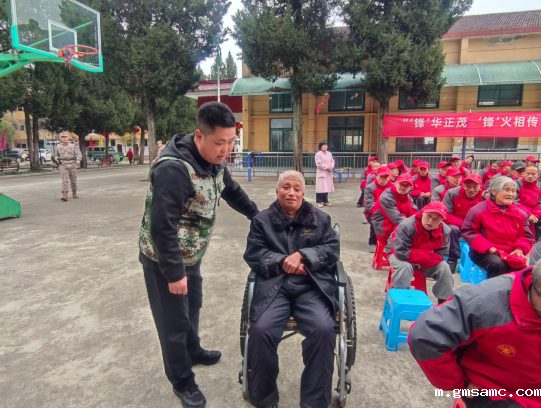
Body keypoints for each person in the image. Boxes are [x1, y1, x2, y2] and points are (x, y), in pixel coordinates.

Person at [138, 102, 259, 408]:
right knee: (173, 324)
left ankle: (193, 350)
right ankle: (182, 381)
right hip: (164, 261)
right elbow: (162, 226)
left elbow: (230, 190)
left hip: (191, 254)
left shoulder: (215, 161)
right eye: (220, 143)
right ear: (199, 136)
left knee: (193, 306)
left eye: (231, 142)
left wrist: (257, 216)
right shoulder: (174, 170)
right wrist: (173, 273)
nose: (226, 150)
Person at [243, 170, 340, 408]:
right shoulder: (261, 221)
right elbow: (254, 254)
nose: (291, 193)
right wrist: (282, 261)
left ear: (303, 193)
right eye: (286, 187)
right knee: (261, 330)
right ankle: (264, 396)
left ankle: (314, 401)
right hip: (274, 286)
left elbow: (331, 250)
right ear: (277, 191)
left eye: (297, 189)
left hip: (311, 286)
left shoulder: (320, 219)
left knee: (323, 328)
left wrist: (303, 256)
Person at [409, 261, 541, 408]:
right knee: (496, 264)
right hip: (494, 386)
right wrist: (459, 384)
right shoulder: (485, 303)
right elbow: (425, 335)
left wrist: (517, 251)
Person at [461, 176, 534, 278]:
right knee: (498, 265)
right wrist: (489, 248)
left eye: (513, 191)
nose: (510, 194)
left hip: (510, 252)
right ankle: (494, 288)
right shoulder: (477, 211)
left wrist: (519, 249)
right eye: (506, 190)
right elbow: (469, 232)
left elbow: (526, 236)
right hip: (485, 251)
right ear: (494, 192)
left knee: (522, 271)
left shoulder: (520, 214)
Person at [386, 201, 453, 304]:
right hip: (396, 253)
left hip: (422, 259)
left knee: (444, 267)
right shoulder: (407, 226)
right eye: (429, 215)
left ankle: (444, 302)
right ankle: (400, 299)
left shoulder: (445, 231)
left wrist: (420, 259)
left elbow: (442, 254)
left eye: (436, 218)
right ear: (422, 213)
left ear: (442, 221)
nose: (431, 221)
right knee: (405, 267)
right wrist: (428, 253)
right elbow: (401, 252)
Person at [442, 174, 485, 273]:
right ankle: (453, 259)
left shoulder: (485, 197)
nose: (471, 190)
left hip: (476, 224)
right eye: (468, 186)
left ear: (480, 187)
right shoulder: (452, 193)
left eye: (475, 187)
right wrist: (463, 224)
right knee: (451, 230)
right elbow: (445, 213)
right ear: (463, 185)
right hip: (457, 222)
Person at [371, 173, 417, 244]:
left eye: (406, 185)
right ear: (395, 184)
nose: (403, 187)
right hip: (385, 227)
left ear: (410, 188)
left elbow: (414, 211)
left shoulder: (407, 196)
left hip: (399, 223)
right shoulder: (386, 197)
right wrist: (414, 226)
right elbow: (396, 218)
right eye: (401, 184)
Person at [364, 166, 392, 253]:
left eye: (385, 177)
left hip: (390, 211)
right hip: (373, 212)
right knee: (375, 219)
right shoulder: (370, 188)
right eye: (381, 176)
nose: (383, 179)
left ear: (389, 177)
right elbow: (370, 205)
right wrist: (382, 212)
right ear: (376, 176)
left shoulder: (394, 187)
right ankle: (373, 242)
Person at [54, 132, 82, 202]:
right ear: (60, 138)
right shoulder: (58, 146)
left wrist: (78, 160)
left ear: (68, 138)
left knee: (73, 180)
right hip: (63, 164)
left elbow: (78, 154)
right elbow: (56, 155)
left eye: (65, 137)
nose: (64, 138)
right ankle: (65, 195)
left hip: (72, 164)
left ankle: (74, 192)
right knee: (65, 180)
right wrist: (56, 159)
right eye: (62, 137)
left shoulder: (73, 146)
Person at [516, 165, 541, 240]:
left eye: (533, 174)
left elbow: (540, 203)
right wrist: (528, 215)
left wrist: (535, 215)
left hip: (535, 212)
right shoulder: (516, 184)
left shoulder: (539, 186)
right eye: (528, 173)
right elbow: (514, 202)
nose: (530, 176)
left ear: (538, 175)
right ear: (523, 173)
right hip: (519, 210)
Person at [315, 140, 335, 208]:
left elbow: (332, 161)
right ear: (321, 146)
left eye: (326, 145)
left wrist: (331, 166)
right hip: (322, 172)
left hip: (328, 172)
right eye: (324, 145)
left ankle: (325, 201)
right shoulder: (318, 154)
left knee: (326, 187)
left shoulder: (329, 153)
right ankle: (319, 201)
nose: (325, 146)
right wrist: (327, 167)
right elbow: (319, 164)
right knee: (320, 188)